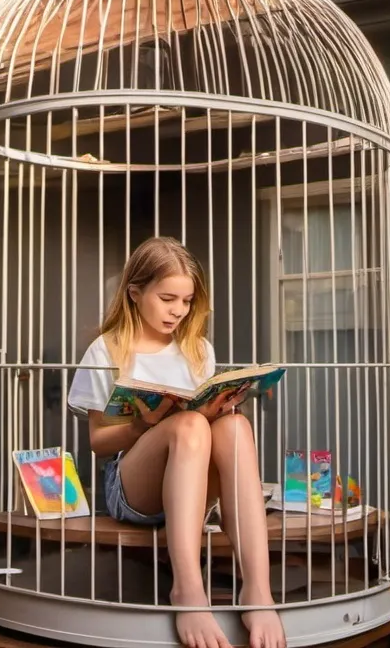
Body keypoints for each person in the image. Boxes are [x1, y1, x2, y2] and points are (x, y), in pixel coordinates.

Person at [68, 236, 286, 648]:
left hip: (194, 486)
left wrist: (221, 408)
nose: (178, 311)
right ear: (135, 293)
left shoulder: (197, 349)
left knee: (234, 427)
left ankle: (258, 589)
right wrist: (143, 426)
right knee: (187, 426)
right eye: (168, 298)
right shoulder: (107, 348)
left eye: (186, 301)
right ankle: (188, 589)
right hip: (132, 486)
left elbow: (206, 425)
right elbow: (98, 442)